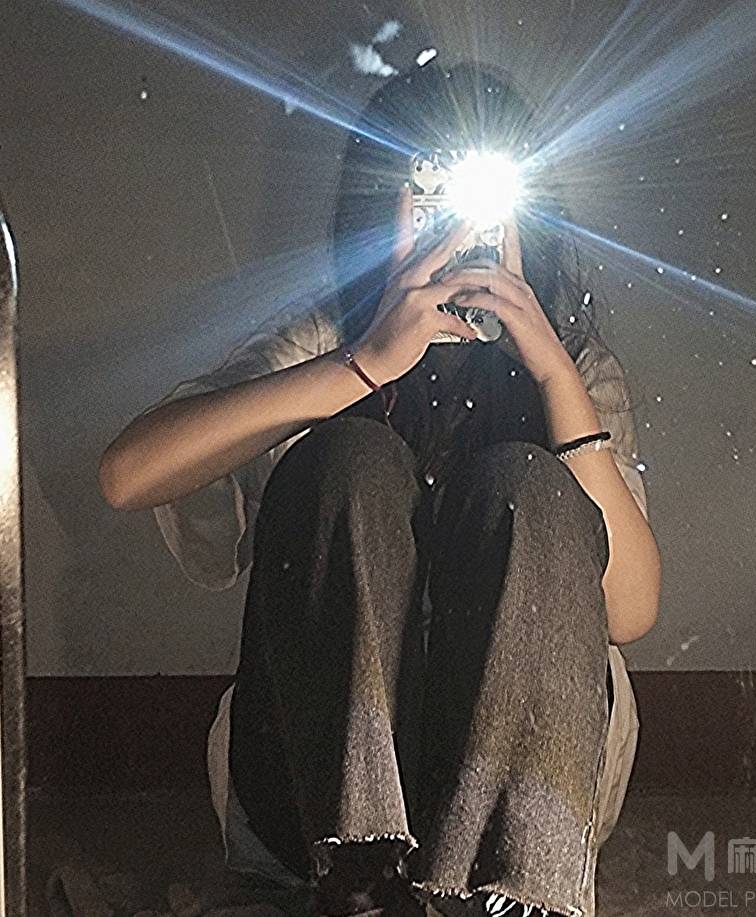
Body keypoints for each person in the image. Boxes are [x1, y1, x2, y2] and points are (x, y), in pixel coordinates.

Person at [99, 59, 661, 917]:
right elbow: (129, 474)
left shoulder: (572, 364)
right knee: (350, 460)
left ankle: (508, 892)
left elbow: (630, 609)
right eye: (428, 194)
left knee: (531, 486)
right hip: (314, 807)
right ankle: (357, 881)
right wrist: (359, 364)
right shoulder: (331, 338)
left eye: (479, 200)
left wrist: (551, 370)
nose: (455, 229)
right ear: (378, 209)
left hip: (525, 808)